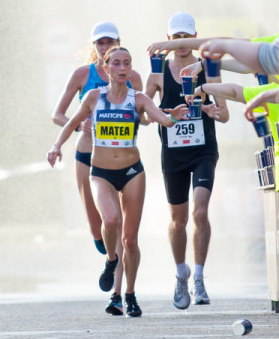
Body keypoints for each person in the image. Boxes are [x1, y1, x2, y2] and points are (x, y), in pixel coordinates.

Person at [48, 46, 189, 318]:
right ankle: (111, 262)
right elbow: (70, 123)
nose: (122, 68)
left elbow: (162, 118)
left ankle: (130, 294)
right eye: (116, 63)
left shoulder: (138, 99)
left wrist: (174, 117)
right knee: (110, 221)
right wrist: (56, 147)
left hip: (132, 172)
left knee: (130, 241)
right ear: (106, 67)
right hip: (100, 173)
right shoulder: (93, 97)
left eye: (126, 63)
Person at [50, 21, 143, 315]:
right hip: (87, 155)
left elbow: (144, 111)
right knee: (98, 227)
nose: (105, 47)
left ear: (118, 42)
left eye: (110, 42)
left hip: (122, 159)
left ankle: (119, 294)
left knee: (118, 226)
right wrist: (81, 125)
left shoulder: (131, 76)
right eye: (100, 43)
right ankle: (109, 259)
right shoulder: (82, 75)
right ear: (94, 47)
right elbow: (58, 115)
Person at [144, 12, 229, 310]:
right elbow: (143, 116)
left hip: (203, 150)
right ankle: (181, 273)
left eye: (186, 37)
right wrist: (169, 115)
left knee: (200, 213)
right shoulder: (157, 74)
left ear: (194, 37)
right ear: (169, 41)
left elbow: (225, 114)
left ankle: (200, 278)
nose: (182, 43)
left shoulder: (208, 70)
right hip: (173, 154)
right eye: (176, 38)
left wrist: (208, 108)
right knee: (178, 221)